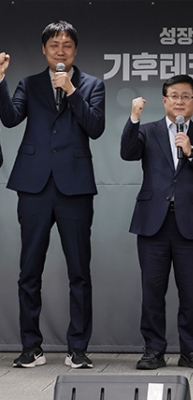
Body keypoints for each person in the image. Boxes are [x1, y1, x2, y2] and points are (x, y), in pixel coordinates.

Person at [0, 21, 105, 369]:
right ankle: (31, 347)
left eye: (67, 45)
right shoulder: (29, 84)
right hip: (34, 185)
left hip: (75, 186)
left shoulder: (91, 85)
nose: (61, 51)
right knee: (29, 270)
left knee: (79, 272)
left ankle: (78, 348)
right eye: (54, 45)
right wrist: (0, 80)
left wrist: (72, 91)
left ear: (75, 50)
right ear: (44, 49)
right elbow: (10, 118)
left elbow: (96, 127)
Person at [121, 75, 193, 370]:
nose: (180, 101)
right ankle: (153, 350)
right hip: (153, 221)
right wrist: (134, 118)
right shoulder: (148, 130)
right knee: (152, 291)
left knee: (191, 292)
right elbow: (128, 153)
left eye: (186, 96)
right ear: (165, 100)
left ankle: (191, 351)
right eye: (174, 96)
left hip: (190, 223)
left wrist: (190, 153)